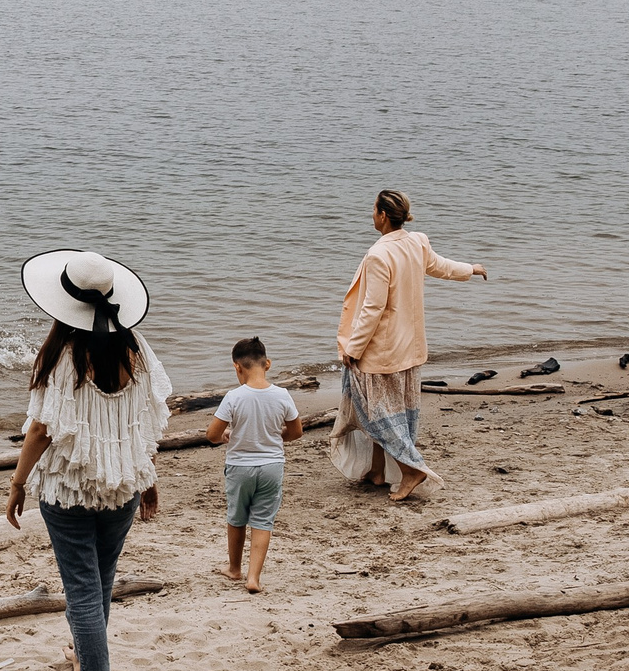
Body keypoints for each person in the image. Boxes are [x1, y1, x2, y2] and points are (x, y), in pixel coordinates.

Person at [4, 249, 168, 671]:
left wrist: (17, 484)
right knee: (101, 580)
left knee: (81, 589)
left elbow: (39, 431)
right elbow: (146, 421)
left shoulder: (60, 356)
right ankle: (82, 658)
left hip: (71, 491)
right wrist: (149, 478)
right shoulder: (137, 351)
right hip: (122, 487)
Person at [334, 189, 487, 502]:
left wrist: (353, 348)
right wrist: (470, 269)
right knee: (389, 411)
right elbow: (440, 266)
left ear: (383, 215)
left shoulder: (379, 254)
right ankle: (377, 471)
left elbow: (373, 308)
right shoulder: (417, 241)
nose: (371, 215)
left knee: (376, 414)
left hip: (382, 352)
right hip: (409, 348)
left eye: (373, 210)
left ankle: (412, 470)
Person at [206, 336, 303, 593]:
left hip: (240, 467)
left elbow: (212, 435)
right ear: (267, 364)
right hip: (272, 466)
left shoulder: (234, 396)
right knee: (263, 521)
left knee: (237, 517)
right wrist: (275, 436)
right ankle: (253, 578)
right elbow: (296, 431)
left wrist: (227, 436)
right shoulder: (282, 395)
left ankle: (234, 568)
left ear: (237, 367)